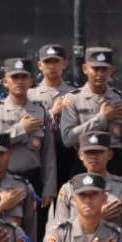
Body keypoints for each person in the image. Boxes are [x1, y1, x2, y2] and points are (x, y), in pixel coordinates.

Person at [0, 55, 57, 224]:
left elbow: (48, 153)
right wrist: (22, 129)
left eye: (24, 77)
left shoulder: (41, 112)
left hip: (33, 178)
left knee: (35, 232)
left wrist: (49, 188)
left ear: (31, 81)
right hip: (2, 179)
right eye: (15, 77)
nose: (19, 82)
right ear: (5, 81)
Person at [58, 47, 122, 184]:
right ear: (85, 69)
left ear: (111, 70)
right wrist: (102, 119)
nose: (100, 74)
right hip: (84, 162)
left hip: (114, 163)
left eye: (104, 69)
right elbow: (67, 139)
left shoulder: (121, 100)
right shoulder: (73, 99)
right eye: (95, 69)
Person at [50, 131, 122, 238]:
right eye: (88, 152)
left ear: (110, 154)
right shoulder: (68, 189)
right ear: (80, 155)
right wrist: (96, 217)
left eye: (98, 152)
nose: (93, 157)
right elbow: (60, 232)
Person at [30, 43, 78, 191]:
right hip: (40, 152)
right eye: (47, 62)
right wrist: (52, 112)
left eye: (56, 61)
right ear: (40, 65)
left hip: (66, 152)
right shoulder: (30, 94)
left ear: (64, 64)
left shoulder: (74, 93)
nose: (51, 66)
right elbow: (28, 124)